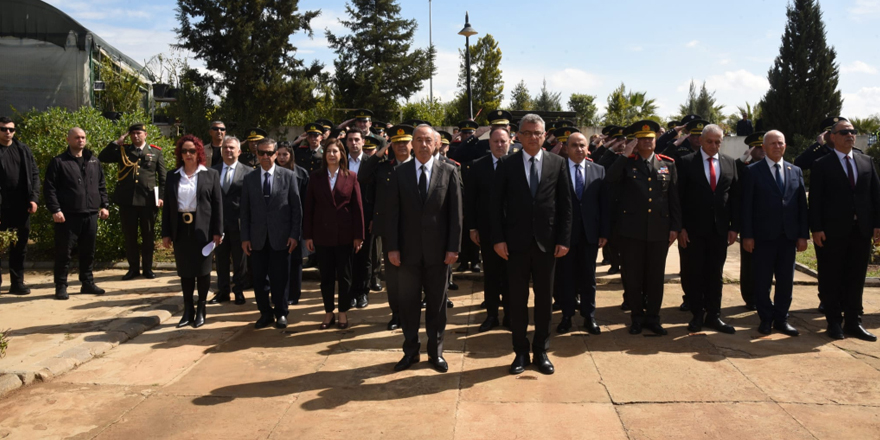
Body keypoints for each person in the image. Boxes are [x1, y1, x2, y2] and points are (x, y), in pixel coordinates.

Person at [492, 114, 572, 375]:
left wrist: (564, 239)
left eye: (537, 133)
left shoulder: (558, 163)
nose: (533, 137)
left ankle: (541, 350)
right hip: (514, 245)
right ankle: (520, 351)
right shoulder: (507, 164)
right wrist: (498, 239)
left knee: (544, 301)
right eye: (527, 133)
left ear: (544, 135)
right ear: (518, 136)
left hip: (547, 244)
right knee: (517, 301)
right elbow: (495, 206)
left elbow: (566, 206)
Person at [386, 125, 462, 373]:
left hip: (438, 254)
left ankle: (435, 353)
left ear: (436, 144)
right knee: (408, 305)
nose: (423, 145)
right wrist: (392, 247)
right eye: (418, 140)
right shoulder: (399, 173)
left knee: (437, 306)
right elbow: (392, 214)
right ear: (411, 144)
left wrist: (453, 248)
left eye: (428, 140)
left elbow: (456, 214)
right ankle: (410, 352)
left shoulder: (449, 171)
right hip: (407, 254)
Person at [605, 120, 681, 336]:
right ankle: (637, 317)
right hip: (631, 231)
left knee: (655, 277)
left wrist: (675, 226)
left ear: (656, 140)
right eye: (642, 139)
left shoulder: (667, 164)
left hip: (659, 230)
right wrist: (624, 155)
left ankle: (653, 318)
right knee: (633, 277)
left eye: (650, 139)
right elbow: (609, 179)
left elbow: (673, 198)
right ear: (636, 142)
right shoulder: (626, 163)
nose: (647, 142)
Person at [809, 120, 880, 341]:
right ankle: (833, 322)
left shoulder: (866, 161)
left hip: (861, 230)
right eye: (844, 132)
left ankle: (853, 322)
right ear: (833, 137)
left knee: (856, 277)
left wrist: (877, 224)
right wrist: (816, 228)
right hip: (832, 232)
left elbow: (875, 195)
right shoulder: (822, 164)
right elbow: (815, 200)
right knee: (831, 277)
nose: (850, 135)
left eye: (852, 131)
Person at [741, 130, 808, 337]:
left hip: (788, 237)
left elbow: (801, 205)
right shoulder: (752, 171)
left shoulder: (795, 170)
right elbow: (746, 206)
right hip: (763, 237)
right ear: (764, 147)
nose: (777, 147)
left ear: (785, 146)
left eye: (780, 143)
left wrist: (803, 235)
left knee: (785, 281)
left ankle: (781, 319)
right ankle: (765, 319)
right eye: (772, 143)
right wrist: (747, 236)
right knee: (762, 281)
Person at [677, 124, 740, 334]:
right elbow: (678, 198)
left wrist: (734, 227)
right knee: (694, 273)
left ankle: (714, 315)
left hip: (719, 230)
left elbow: (735, 197)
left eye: (718, 142)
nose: (714, 145)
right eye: (710, 141)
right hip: (693, 230)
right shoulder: (686, 162)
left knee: (715, 274)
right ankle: (697, 315)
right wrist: (680, 227)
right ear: (701, 141)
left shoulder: (729, 163)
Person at [160, 135, 223, 328]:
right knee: (185, 271)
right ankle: (188, 310)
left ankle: (201, 308)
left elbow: (217, 205)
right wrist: (166, 233)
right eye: (184, 151)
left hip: (203, 228)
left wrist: (218, 231)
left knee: (202, 271)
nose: (188, 154)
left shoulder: (210, 174)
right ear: (180, 154)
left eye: (192, 151)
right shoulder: (173, 175)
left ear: (199, 153)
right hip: (181, 227)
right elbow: (168, 206)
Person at [240, 138, 302, 329]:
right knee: (259, 279)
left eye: (269, 153)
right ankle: (265, 313)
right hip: (257, 238)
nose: (265, 156)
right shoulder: (249, 178)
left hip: (281, 237)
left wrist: (294, 235)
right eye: (261, 153)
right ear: (257, 154)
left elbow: (296, 208)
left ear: (276, 154)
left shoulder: (288, 176)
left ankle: (281, 312)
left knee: (280, 278)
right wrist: (245, 237)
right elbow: (245, 211)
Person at [304, 139, 365, 330]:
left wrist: (359, 235)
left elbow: (357, 208)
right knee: (326, 277)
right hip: (322, 235)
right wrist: (308, 235)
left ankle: (343, 312)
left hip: (345, 235)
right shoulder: (316, 177)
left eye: (335, 151)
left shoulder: (351, 176)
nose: (331, 154)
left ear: (341, 155)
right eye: (328, 151)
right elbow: (309, 207)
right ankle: (328, 312)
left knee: (345, 276)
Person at [43, 127, 110, 300]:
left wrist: (104, 205)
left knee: (88, 252)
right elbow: (50, 188)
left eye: (83, 137)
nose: (81, 140)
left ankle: (87, 283)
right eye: (77, 137)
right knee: (64, 253)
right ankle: (61, 286)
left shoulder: (93, 161)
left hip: (90, 214)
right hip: (68, 215)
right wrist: (55, 209)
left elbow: (101, 185)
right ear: (68, 140)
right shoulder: (59, 162)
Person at [555, 132, 609, 335]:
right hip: (565, 235)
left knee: (589, 277)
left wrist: (604, 232)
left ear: (588, 148)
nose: (579, 149)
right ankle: (567, 316)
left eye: (582, 145)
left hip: (590, 233)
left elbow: (603, 204)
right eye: (574, 145)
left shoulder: (598, 170)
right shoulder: (558, 170)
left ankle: (589, 316)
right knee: (566, 277)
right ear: (566, 148)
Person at [359, 127, 411, 330]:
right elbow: (363, 175)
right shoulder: (383, 168)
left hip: (415, 229)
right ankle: (396, 314)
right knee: (393, 276)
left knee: (414, 275)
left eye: (405, 142)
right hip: (390, 229)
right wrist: (379, 153)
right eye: (397, 142)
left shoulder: (418, 166)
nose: (401, 146)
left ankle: (411, 312)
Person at [98, 123, 166, 281]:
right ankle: (133, 269)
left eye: (139, 133)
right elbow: (103, 157)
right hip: (127, 200)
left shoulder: (155, 152)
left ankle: (148, 268)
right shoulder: (123, 150)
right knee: (130, 237)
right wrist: (117, 143)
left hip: (148, 200)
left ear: (145, 135)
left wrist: (161, 197)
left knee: (148, 236)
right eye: (133, 133)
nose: (136, 136)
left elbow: (163, 178)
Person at [466, 127, 511, 332]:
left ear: (509, 142)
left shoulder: (518, 164)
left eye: (503, 141)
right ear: (489, 143)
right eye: (496, 141)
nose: (499, 145)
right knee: (491, 275)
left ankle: (510, 315)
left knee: (511, 276)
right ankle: (491, 315)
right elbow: (471, 199)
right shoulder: (478, 166)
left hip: (512, 230)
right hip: (487, 230)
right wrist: (472, 227)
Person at [209, 136, 252, 305]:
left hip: (240, 223)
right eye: (225, 147)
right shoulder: (213, 171)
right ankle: (223, 291)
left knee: (240, 260)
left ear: (239, 151)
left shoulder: (248, 172)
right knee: (221, 259)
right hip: (219, 223)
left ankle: (239, 290)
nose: (228, 150)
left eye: (232, 148)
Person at [0, 116, 40, 294]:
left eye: (11, 129)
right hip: (1, 206)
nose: (7, 132)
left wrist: (34, 198)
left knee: (20, 246)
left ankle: (17, 283)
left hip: (21, 206)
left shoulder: (23, 149)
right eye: (3, 129)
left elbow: (34, 174)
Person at [276, 142, 310, 305]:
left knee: (295, 261)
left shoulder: (301, 174)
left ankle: (293, 295)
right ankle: (279, 294)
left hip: (296, 222)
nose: (282, 158)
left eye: (285, 154)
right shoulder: (271, 172)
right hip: (277, 224)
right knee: (278, 262)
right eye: (279, 154)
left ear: (291, 155)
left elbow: (305, 201)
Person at [736, 132, 767, 309]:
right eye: (758, 147)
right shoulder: (744, 167)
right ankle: (750, 297)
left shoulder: (773, 166)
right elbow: (732, 172)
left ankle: (764, 296)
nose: (762, 150)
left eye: (764, 146)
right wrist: (743, 159)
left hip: (769, 224)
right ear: (751, 149)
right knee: (749, 265)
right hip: (751, 224)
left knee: (766, 265)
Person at [345, 129, 372, 309]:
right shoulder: (341, 161)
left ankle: (363, 292)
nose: (354, 143)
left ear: (363, 141)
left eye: (357, 139)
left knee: (364, 256)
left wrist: (374, 217)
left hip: (366, 216)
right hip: (345, 216)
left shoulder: (371, 162)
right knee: (347, 257)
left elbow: (377, 191)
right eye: (350, 140)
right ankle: (350, 293)